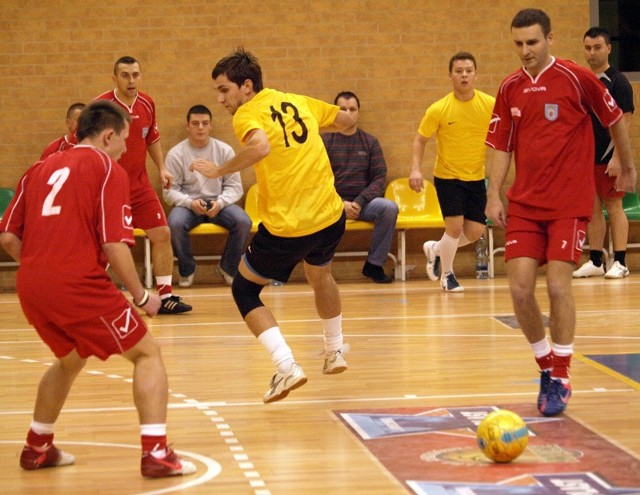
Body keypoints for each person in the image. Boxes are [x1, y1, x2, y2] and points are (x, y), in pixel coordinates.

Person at [0, 100, 196, 478]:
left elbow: (8, 236)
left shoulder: (38, 169)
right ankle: (156, 453)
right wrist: (142, 296)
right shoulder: (108, 170)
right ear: (108, 135)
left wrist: (41, 268)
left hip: (30, 284)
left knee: (70, 358)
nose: (126, 147)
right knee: (148, 354)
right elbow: (113, 245)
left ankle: (37, 447)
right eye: (124, 138)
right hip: (77, 282)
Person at [485, 9, 636, 417]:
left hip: (569, 203)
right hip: (525, 204)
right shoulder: (510, 87)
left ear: (549, 38)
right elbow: (500, 144)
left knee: (556, 287)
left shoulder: (576, 76)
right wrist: (494, 194)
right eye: (518, 44)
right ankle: (545, 366)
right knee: (518, 290)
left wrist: (627, 163)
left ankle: (563, 374)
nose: (525, 51)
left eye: (532, 43)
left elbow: (615, 117)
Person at [191, 48, 354, 403]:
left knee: (245, 290)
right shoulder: (297, 101)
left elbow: (261, 146)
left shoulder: (247, 114)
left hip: (290, 227)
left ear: (246, 87)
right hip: (330, 215)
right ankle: (335, 350)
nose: (220, 99)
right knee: (320, 275)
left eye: (224, 90)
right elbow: (346, 120)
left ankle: (286, 366)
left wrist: (218, 171)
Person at [95, 56, 191, 314]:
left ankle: (166, 296)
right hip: (110, 188)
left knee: (162, 233)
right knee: (107, 245)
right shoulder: (102, 107)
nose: (131, 80)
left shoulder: (147, 103)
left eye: (136, 74)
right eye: (125, 75)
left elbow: (152, 139)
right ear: (114, 78)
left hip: (139, 186)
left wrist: (162, 168)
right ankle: (93, 298)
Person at [409, 52, 495, 292]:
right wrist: (415, 169)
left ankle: (437, 249)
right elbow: (420, 140)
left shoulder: (489, 104)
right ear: (450, 76)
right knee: (455, 228)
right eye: (459, 71)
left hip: (476, 176)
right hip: (448, 177)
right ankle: (447, 275)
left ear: (476, 74)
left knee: (475, 231)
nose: (464, 75)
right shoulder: (439, 109)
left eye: (468, 70)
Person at [573, 27, 635, 279]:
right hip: (587, 155)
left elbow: (626, 121)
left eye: (597, 47)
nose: (592, 53)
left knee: (614, 205)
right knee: (592, 207)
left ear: (608, 48)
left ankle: (620, 261)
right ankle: (596, 260)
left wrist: (618, 157)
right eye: (588, 48)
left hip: (610, 156)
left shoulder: (618, 82)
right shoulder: (583, 81)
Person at [322, 91, 398, 284]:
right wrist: (340, 204)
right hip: (330, 203)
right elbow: (317, 179)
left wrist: (358, 202)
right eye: (343, 109)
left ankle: (374, 265)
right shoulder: (324, 142)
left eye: (352, 109)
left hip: (362, 203)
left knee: (389, 208)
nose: (348, 113)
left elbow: (380, 178)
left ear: (358, 112)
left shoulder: (370, 142)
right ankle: (319, 268)